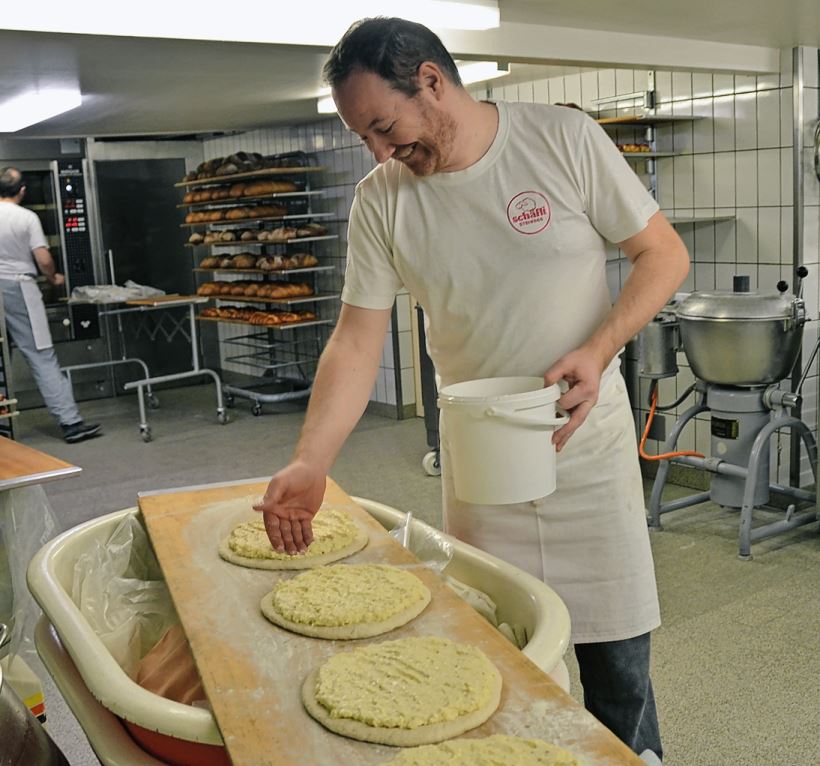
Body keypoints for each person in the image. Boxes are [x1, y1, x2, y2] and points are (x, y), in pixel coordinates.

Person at [254, 18, 689, 760]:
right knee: (497, 668)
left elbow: (662, 254)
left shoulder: (562, 141)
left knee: (618, 673)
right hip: (483, 466)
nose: (381, 152)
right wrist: (312, 459)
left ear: (430, 80)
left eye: (385, 127)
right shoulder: (381, 199)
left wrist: (598, 347)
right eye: (365, 137)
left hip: (584, 451)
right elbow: (357, 341)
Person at [0, 167, 101, 443]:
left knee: (0, 360)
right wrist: (53, 277)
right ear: (22, 191)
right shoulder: (26, 217)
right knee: (41, 355)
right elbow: (43, 259)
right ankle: (71, 423)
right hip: (20, 287)